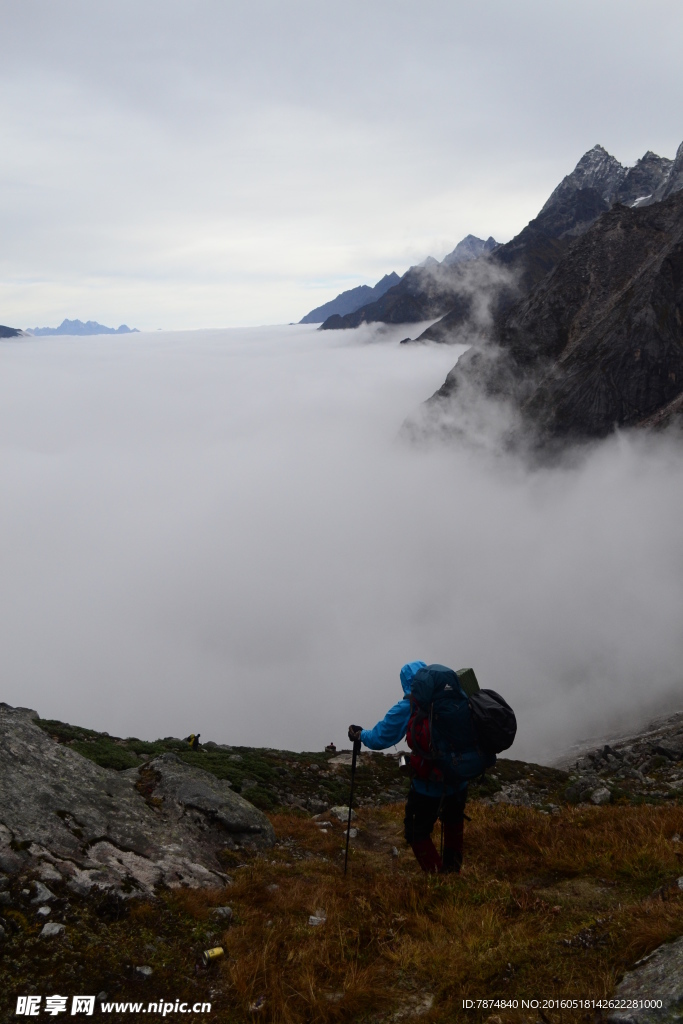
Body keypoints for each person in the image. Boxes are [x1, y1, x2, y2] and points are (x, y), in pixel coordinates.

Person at [348, 661, 466, 875]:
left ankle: (438, 878)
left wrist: (360, 734)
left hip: (427, 784)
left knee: (416, 832)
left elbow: (380, 738)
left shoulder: (409, 706)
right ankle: (453, 872)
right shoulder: (456, 697)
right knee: (453, 821)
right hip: (459, 777)